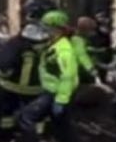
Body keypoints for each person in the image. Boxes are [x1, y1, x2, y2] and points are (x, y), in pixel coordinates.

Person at [18, 10, 79, 142]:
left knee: (27, 117)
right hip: (52, 91)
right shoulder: (54, 44)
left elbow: (68, 76)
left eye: (47, 28)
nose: (45, 31)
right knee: (62, 128)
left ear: (58, 29)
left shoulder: (64, 49)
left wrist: (61, 100)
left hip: (56, 93)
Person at [0, 22, 51, 140]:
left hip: (10, 89)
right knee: (37, 122)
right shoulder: (52, 45)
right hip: (38, 92)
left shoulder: (14, 44)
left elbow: (4, 69)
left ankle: (6, 137)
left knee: (6, 120)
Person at [72, 17, 99, 85]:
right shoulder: (78, 40)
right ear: (85, 30)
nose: (93, 33)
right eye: (91, 30)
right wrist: (91, 69)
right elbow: (82, 55)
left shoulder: (76, 38)